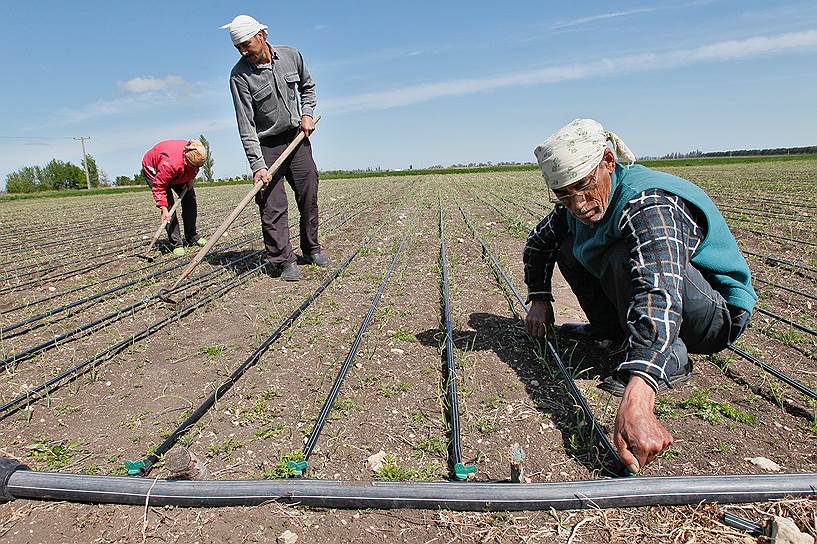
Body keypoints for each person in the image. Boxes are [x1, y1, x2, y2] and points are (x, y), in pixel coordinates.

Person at [523, 118, 756, 473]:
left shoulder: (649, 204)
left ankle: (670, 358)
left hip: (712, 314)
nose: (579, 204)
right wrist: (539, 297)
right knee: (570, 246)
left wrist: (640, 392)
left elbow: (658, 288)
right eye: (564, 194)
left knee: (620, 254)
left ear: (608, 162)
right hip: (670, 297)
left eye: (584, 186)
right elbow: (538, 245)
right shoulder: (574, 208)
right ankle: (613, 332)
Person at [222, 14, 327, 282]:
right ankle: (283, 260)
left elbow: (308, 88)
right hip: (266, 145)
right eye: (238, 48)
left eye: (246, 44)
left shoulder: (292, 56)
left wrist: (307, 113)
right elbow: (246, 125)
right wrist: (258, 165)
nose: (244, 51)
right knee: (271, 204)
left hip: (296, 138)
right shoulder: (239, 76)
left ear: (261, 35)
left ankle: (311, 248)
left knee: (308, 193)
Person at [142, 139, 208, 256]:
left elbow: (195, 167)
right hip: (155, 171)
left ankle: (192, 235)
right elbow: (159, 186)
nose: (196, 169)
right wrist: (163, 209)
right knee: (169, 208)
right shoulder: (170, 164)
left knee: (190, 200)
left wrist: (191, 179)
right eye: (193, 167)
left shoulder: (195, 152)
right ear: (186, 160)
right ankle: (176, 243)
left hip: (179, 169)